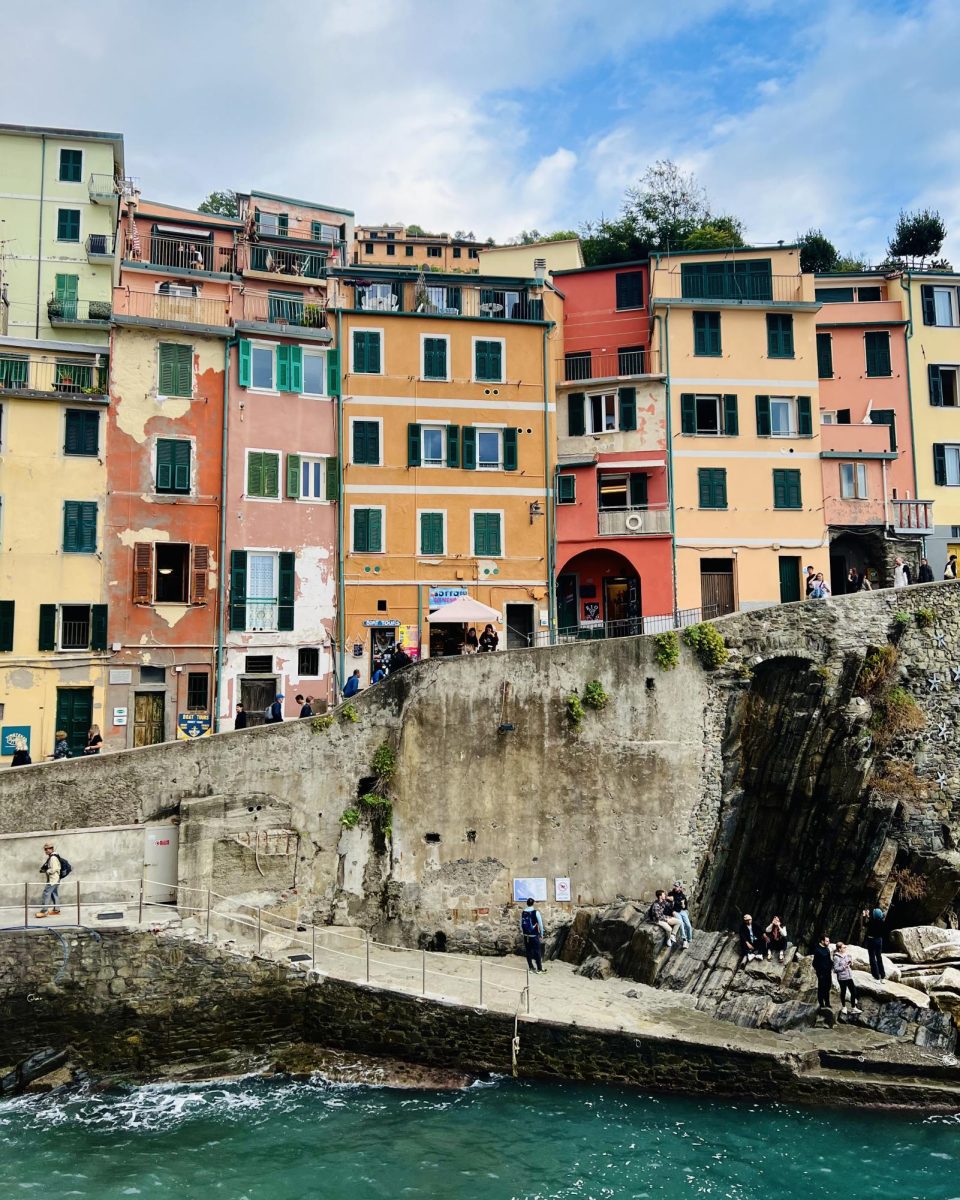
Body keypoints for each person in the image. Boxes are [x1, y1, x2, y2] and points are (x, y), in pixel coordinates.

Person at [832, 942, 863, 1016]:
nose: (845, 948)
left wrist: (851, 963)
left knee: (853, 992)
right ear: (839, 949)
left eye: (845, 947)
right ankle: (844, 1007)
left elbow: (849, 964)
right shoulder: (836, 957)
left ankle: (853, 1008)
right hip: (842, 978)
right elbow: (835, 969)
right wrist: (844, 967)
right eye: (843, 947)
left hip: (849, 976)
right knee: (843, 992)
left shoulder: (847, 955)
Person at [36, 842, 63, 918]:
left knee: (46, 893)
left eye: (48, 849)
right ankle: (56, 910)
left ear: (52, 849)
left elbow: (54, 869)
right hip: (56, 878)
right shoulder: (54, 856)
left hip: (53, 879)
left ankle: (44, 911)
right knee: (54, 893)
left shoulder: (53, 858)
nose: (46, 851)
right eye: (45, 849)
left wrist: (47, 871)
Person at [520, 897, 545, 973]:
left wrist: (523, 932)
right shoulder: (535, 912)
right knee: (537, 951)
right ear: (533, 903)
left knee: (528, 951)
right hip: (534, 935)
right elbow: (540, 924)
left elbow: (521, 924)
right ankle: (539, 969)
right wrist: (541, 934)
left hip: (526, 936)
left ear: (527, 903)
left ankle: (531, 967)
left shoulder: (523, 912)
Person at [863, 906, 886, 980]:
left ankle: (876, 975)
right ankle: (882, 974)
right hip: (879, 940)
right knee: (879, 957)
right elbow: (874, 920)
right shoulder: (882, 922)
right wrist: (868, 916)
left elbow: (865, 924)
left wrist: (864, 916)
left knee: (872, 957)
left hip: (871, 940)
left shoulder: (871, 922)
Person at [812, 933, 834, 1010]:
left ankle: (827, 1003)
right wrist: (819, 973)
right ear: (822, 941)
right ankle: (821, 1003)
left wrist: (832, 965)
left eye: (828, 941)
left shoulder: (827, 949)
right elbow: (814, 963)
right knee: (821, 988)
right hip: (821, 973)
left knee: (827, 987)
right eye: (827, 941)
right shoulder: (817, 950)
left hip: (828, 972)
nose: (829, 942)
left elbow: (829, 960)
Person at [668, 881, 693, 947]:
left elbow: (685, 907)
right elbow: (668, 904)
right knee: (681, 923)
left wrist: (683, 904)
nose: (675, 887)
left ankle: (689, 940)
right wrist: (672, 911)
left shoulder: (682, 895)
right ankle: (684, 940)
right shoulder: (671, 894)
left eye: (676, 886)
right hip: (675, 911)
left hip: (682, 911)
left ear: (680, 887)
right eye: (674, 886)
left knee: (688, 925)